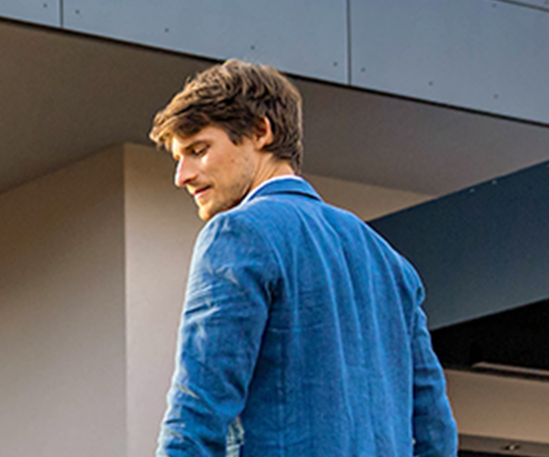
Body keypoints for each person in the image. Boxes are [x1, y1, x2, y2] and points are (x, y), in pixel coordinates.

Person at [149, 59, 457, 456]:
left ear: (261, 132)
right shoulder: (390, 262)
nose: (182, 175)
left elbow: (198, 407)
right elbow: (435, 432)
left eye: (198, 150)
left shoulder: (237, 234)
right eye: (178, 158)